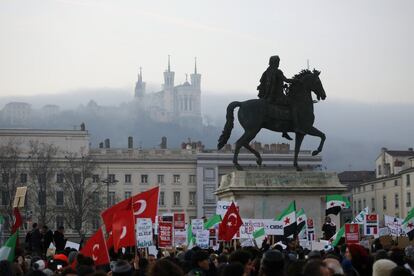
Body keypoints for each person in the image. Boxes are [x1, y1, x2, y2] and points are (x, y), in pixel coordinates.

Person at [257, 55, 304, 139]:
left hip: (267, 97)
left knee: (284, 109)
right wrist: (297, 81)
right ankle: (296, 127)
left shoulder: (266, 72)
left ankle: (284, 131)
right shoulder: (278, 71)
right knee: (294, 105)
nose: (279, 64)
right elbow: (286, 80)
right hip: (278, 97)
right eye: (278, 62)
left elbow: (262, 84)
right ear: (274, 62)